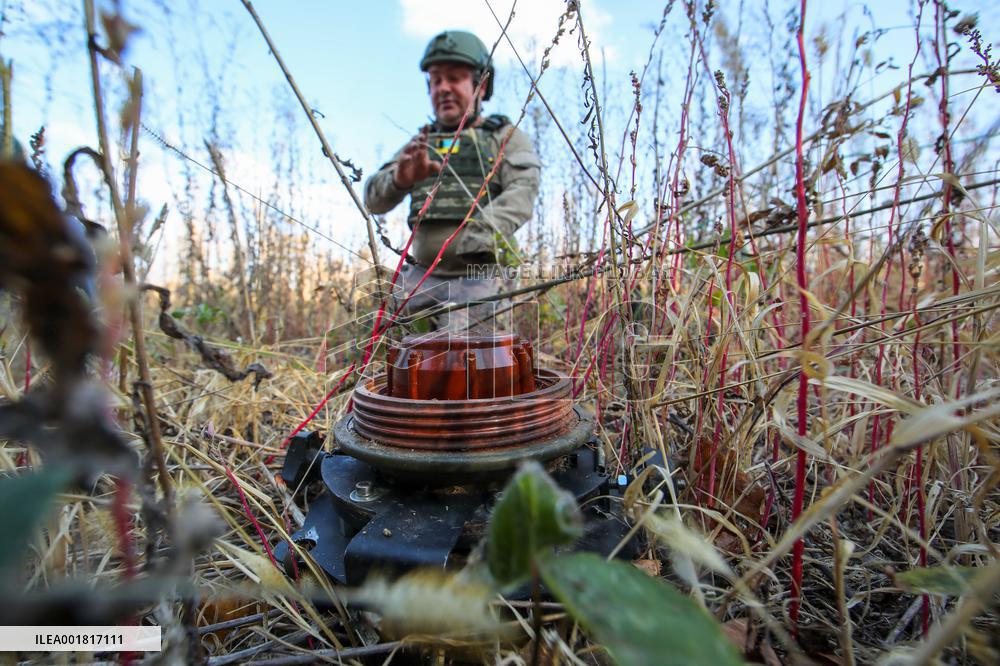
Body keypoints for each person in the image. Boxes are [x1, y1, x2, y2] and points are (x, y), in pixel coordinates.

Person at [364, 30, 541, 333]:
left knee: (475, 357)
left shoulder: (503, 137)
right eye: (435, 81)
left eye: (455, 78)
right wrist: (399, 179)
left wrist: (479, 234)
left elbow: (523, 191)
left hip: (480, 278)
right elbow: (373, 200)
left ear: (480, 86)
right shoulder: (419, 145)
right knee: (398, 353)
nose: (443, 89)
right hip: (420, 278)